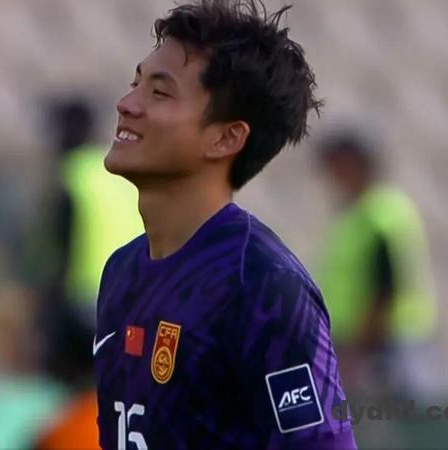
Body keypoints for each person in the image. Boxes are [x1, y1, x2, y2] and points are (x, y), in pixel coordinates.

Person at [93, 1, 357, 449]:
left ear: (226, 138)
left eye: (159, 93)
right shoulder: (121, 271)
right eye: (135, 83)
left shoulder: (261, 285)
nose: (126, 104)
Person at [314, 126, 438, 399]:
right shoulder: (357, 213)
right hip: (365, 342)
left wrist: (358, 350)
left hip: (385, 346)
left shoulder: (380, 216)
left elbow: (385, 290)